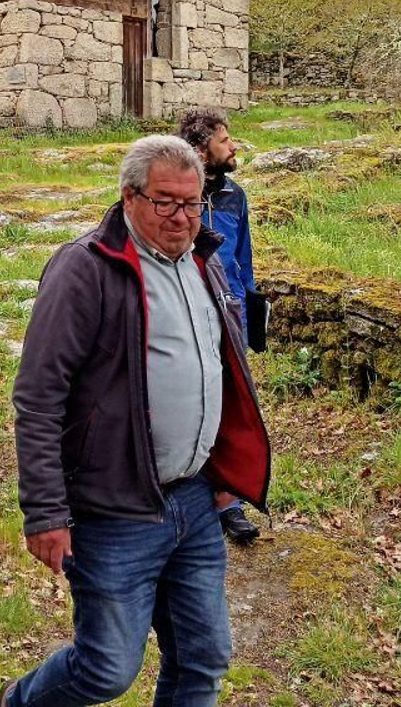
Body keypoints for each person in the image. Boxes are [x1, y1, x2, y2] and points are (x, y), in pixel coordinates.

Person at [0, 135, 272, 707]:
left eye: (194, 203)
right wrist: (45, 511)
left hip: (195, 501)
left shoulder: (204, 260)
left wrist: (223, 466)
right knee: (105, 671)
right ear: (129, 198)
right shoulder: (85, 270)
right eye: (166, 202)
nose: (183, 217)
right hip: (114, 507)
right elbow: (39, 396)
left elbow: (219, 369)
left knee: (202, 659)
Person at [176, 108, 264, 545]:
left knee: (230, 407)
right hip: (184, 317)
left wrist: (248, 317)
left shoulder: (235, 197)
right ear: (200, 150)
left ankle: (228, 500)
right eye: (225, 140)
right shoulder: (172, 195)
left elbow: (243, 261)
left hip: (230, 317)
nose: (234, 147)